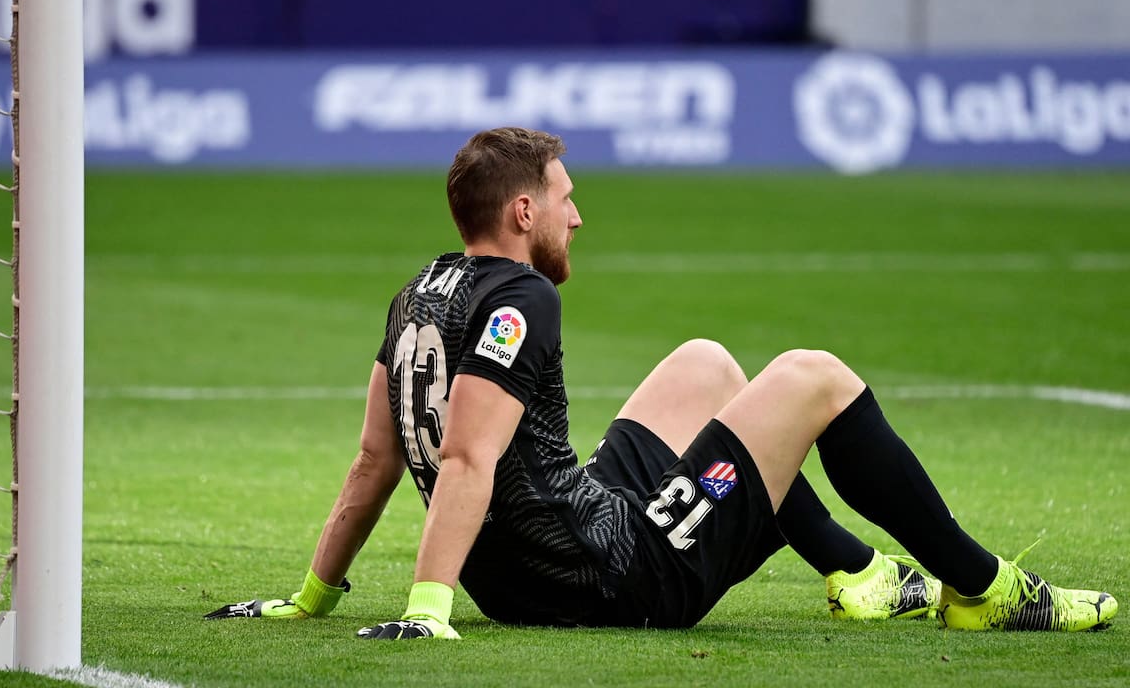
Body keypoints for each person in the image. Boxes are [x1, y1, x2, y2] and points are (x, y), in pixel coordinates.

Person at [206, 127, 1117, 636]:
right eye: (565, 199)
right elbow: (468, 455)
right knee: (815, 377)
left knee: (708, 366)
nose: (578, 216)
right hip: (613, 579)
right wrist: (425, 611)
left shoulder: (418, 292)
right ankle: (986, 590)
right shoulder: (521, 296)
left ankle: (857, 573)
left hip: (545, 557)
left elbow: (375, 462)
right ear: (523, 212)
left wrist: (313, 596)